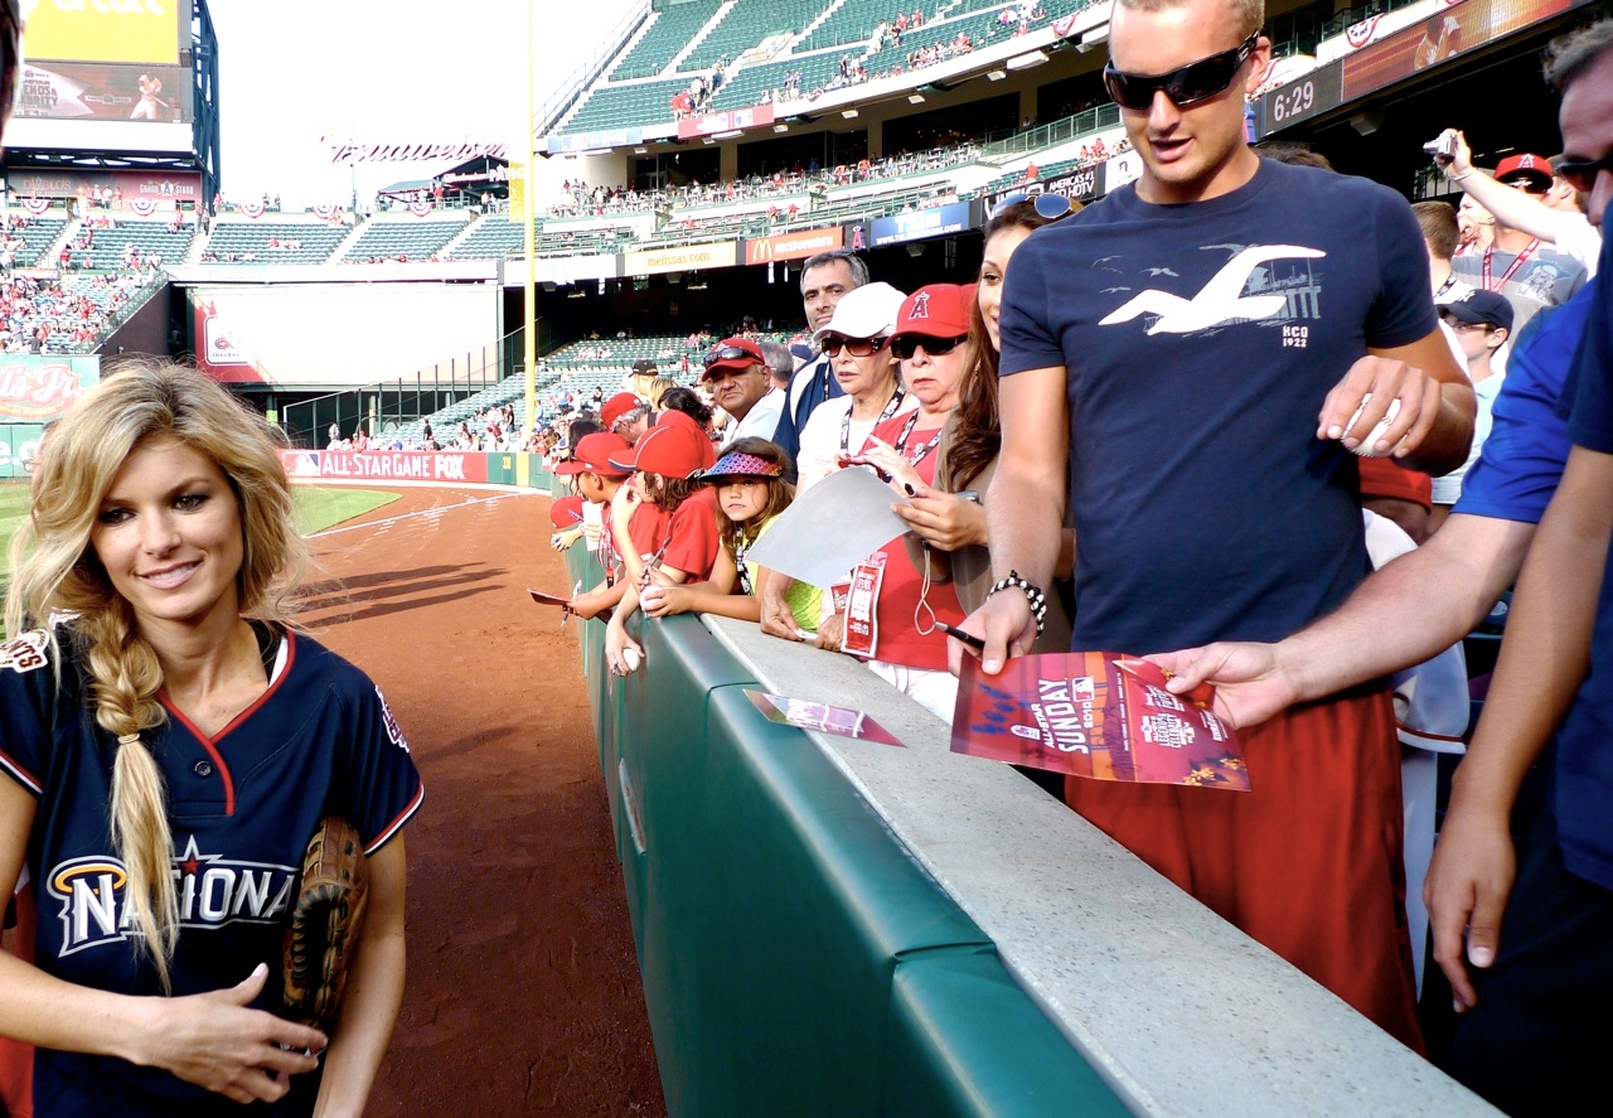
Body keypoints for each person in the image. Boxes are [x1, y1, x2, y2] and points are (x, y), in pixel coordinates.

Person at [965, 0, 1474, 1047]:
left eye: (1191, 81)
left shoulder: (1361, 220)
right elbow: (1025, 467)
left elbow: (1452, 425)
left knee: (1328, 1036)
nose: (1159, 113)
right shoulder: (1055, 264)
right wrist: (1015, 587)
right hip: (1125, 706)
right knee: (1144, 1032)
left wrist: (1425, 409)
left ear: (1254, 62)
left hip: (1307, 693)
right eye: (1128, 89)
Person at [0, 361, 422, 1115]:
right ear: (88, 539)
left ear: (241, 502)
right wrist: (154, 1032)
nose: (157, 540)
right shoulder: (37, 690)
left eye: (187, 500)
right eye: (117, 513)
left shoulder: (337, 702)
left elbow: (382, 935)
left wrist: (340, 1109)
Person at [824, 285, 974, 720]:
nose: (919, 359)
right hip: (874, 646)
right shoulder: (888, 431)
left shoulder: (990, 431)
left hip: (948, 657)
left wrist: (910, 488)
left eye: (939, 344)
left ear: (975, 347)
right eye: (907, 347)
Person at [639, 438, 817, 632]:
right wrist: (674, 589)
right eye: (725, 484)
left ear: (772, 486)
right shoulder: (735, 527)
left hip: (809, 632)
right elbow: (717, 586)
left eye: (748, 482)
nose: (734, 493)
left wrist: (690, 599)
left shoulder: (779, 526)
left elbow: (762, 607)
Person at [602, 425, 722, 675]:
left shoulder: (697, 508)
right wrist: (617, 619)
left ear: (657, 480)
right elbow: (654, 572)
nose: (633, 481)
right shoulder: (694, 500)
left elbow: (653, 591)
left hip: (709, 643)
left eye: (638, 473)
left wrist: (620, 526)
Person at [771, 250, 870, 466]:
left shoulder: (904, 367)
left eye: (834, 290)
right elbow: (786, 470)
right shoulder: (803, 379)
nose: (820, 304)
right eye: (811, 295)